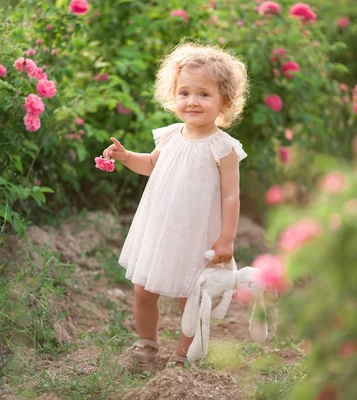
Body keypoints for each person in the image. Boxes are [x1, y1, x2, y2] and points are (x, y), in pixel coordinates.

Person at [101, 42, 249, 367]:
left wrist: (226, 239)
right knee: (143, 289)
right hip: (160, 228)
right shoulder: (169, 136)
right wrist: (126, 157)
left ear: (224, 101)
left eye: (203, 94)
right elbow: (152, 165)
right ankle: (147, 346)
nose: (192, 101)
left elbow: (230, 195)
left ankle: (184, 357)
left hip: (198, 234)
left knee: (190, 296)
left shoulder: (223, 148)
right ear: (173, 95)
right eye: (184, 92)